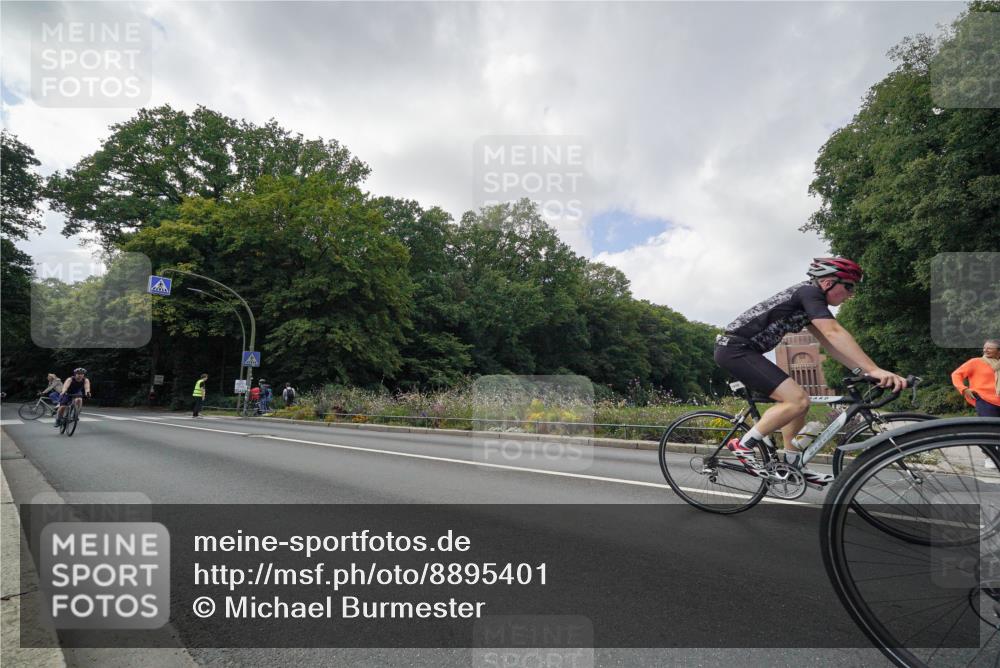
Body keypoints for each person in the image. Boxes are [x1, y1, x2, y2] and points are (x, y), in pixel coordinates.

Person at [714, 258, 907, 484]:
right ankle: (743, 445)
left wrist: (863, 372)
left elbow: (830, 344)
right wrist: (874, 369)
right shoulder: (809, 293)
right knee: (797, 400)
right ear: (827, 282)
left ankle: (792, 465)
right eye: (849, 286)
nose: (851, 294)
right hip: (735, 349)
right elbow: (834, 332)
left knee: (798, 405)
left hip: (745, 350)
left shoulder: (808, 303)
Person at [951, 339, 1000, 417]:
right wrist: (963, 389)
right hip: (985, 401)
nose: (985, 350)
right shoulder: (975, 362)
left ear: (998, 351)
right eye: (984, 348)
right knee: (989, 425)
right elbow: (956, 374)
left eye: (989, 348)